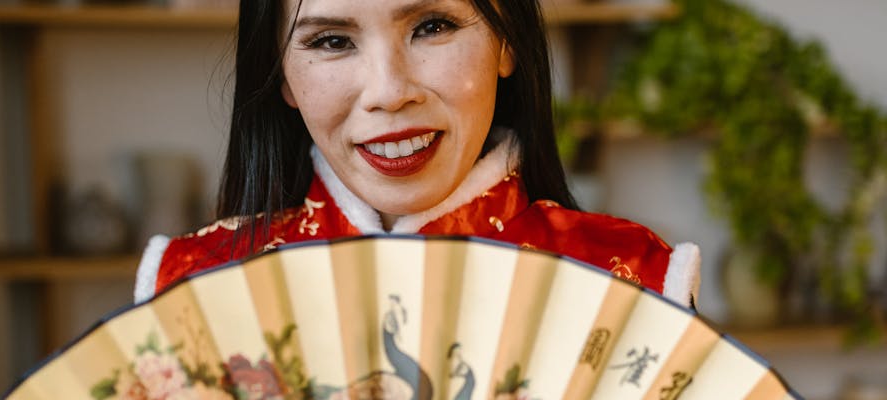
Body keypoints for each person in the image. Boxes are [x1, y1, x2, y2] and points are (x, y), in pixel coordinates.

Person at [134, 0, 700, 307]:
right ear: (280, 73)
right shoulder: (193, 288)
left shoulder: (634, 282)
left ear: (508, 42)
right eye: (331, 41)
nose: (388, 90)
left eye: (432, 26)